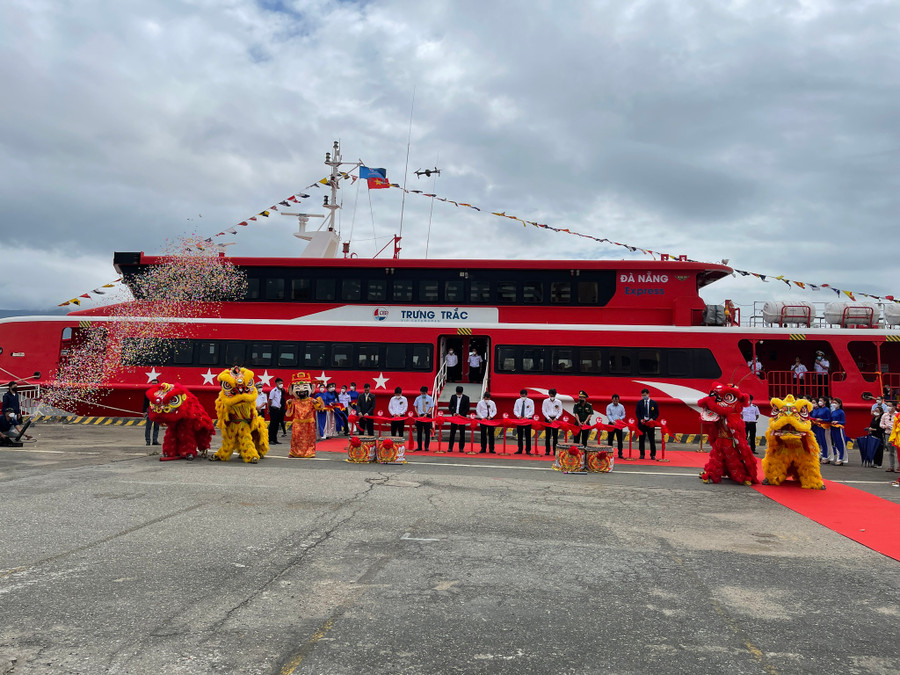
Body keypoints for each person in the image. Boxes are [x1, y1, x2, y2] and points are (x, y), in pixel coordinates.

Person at [636, 388, 659, 460]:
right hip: (642, 423)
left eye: (645, 395)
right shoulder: (639, 403)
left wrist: (653, 419)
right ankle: (642, 454)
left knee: (651, 439)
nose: (644, 396)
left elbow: (657, 413)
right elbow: (637, 413)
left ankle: (653, 454)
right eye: (642, 395)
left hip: (650, 423)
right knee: (641, 439)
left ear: (648, 394)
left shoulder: (653, 403)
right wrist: (640, 419)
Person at [447, 385, 470, 452]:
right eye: (458, 393)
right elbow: (450, 406)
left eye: (459, 393)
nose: (458, 394)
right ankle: (450, 447)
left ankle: (461, 448)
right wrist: (453, 413)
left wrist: (461, 415)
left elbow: (467, 408)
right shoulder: (453, 397)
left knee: (462, 433)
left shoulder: (466, 398)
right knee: (452, 433)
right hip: (454, 417)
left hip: (462, 417)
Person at [811, 397, 834, 464]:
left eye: (821, 401)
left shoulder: (827, 410)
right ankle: (821, 455)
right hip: (819, 427)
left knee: (825, 441)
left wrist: (822, 420)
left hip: (825, 427)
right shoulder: (819, 409)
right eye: (819, 401)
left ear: (825, 402)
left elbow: (829, 419)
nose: (819, 402)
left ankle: (826, 456)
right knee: (820, 441)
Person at [542, 389, 563, 456]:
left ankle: (555, 450)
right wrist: (548, 418)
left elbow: (560, 411)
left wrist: (556, 418)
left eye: (553, 395)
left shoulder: (558, 402)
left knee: (555, 436)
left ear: (555, 395)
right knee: (547, 436)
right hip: (548, 419)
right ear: (549, 394)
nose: (551, 396)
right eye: (550, 394)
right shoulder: (545, 401)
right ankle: (547, 451)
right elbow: (543, 410)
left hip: (555, 419)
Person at [513, 389, 534, 455]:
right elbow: (515, 410)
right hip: (520, 420)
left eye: (524, 396)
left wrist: (527, 416)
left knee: (528, 435)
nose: (523, 397)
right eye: (522, 396)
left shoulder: (530, 401)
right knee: (520, 435)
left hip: (527, 419)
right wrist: (518, 415)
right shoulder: (517, 401)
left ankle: (528, 450)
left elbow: (532, 411)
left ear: (527, 395)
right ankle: (520, 449)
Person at [413, 386, 435, 452]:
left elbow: (431, 407)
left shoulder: (430, 398)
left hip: (427, 415)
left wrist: (427, 413)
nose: (423, 394)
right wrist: (417, 414)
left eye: (424, 393)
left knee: (427, 432)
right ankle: (419, 447)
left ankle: (426, 447)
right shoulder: (418, 398)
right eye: (422, 393)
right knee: (419, 432)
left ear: (426, 392)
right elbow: (415, 406)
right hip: (420, 416)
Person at [606, 394, 626, 459]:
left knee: (620, 439)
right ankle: (609, 453)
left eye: (616, 401)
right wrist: (612, 421)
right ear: (612, 400)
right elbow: (608, 415)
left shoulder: (621, 406)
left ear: (618, 400)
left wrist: (620, 418)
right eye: (614, 401)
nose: (615, 402)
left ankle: (620, 453)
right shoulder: (609, 406)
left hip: (619, 424)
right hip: (611, 424)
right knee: (610, 439)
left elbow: (624, 415)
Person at [268, 377, 286, 445]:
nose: (281, 384)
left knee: (276, 425)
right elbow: (270, 400)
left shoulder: (281, 391)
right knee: (272, 425)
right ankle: (270, 439)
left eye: (282, 383)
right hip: (273, 409)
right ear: (276, 383)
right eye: (280, 383)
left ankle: (275, 439)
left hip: (279, 410)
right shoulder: (273, 391)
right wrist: (269, 409)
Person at [143, 378, 160, 447]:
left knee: (156, 427)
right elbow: (145, 403)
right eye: (153, 383)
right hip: (150, 411)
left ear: (158, 384)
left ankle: (155, 441)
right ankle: (148, 441)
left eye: (155, 383)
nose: (154, 384)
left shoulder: (161, 392)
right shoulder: (148, 392)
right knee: (148, 427)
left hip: (158, 411)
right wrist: (144, 411)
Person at [880, 402, 897, 473]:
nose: (888, 407)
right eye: (887, 406)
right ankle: (891, 466)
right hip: (887, 434)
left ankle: (899, 467)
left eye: (890, 406)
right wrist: (885, 426)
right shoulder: (884, 415)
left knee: (898, 451)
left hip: (896, 435)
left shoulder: (897, 415)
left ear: (894, 407)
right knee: (890, 451)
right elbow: (881, 424)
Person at [830, 398, 847, 466]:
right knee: (836, 443)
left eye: (835, 403)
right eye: (833, 403)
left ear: (839, 404)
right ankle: (838, 457)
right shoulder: (833, 412)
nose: (834, 404)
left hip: (839, 429)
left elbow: (844, 422)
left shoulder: (841, 412)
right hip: (833, 429)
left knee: (840, 443)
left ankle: (841, 458)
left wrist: (837, 422)